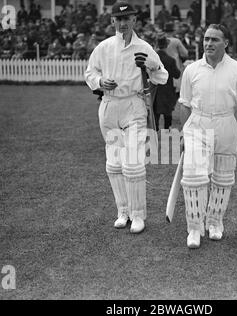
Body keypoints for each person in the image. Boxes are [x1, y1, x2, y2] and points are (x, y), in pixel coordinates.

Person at [84, 1, 168, 234]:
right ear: (113, 21)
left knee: (133, 164)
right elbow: (90, 72)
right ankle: (123, 212)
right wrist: (100, 83)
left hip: (134, 105)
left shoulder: (143, 47)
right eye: (119, 19)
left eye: (127, 18)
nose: (123, 23)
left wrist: (151, 65)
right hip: (110, 104)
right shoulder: (104, 47)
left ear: (134, 20)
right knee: (114, 164)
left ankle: (138, 215)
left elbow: (162, 76)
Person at [179, 24, 237, 248]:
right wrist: (184, 133)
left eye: (214, 39)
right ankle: (194, 228)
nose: (208, 43)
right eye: (206, 39)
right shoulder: (192, 69)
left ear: (226, 43)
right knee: (193, 178)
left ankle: (215, 222)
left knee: (222, 179)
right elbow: (184, 104)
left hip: (225, 124)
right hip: (197, 124)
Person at [153, 33, 181, 130]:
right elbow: (177, 75)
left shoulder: (152, 59)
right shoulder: (170, 60)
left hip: (155, 90)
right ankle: (167, 130)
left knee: (155, 113)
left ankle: (155, 132)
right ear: (167, 45)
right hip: (167, 89)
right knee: (167, 113)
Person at [164, 22, 188, 94]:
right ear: (173, 31)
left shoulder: (160, 40)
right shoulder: (176, 41)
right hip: (174, 67)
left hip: (163, 67)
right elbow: (185, 53)